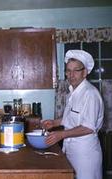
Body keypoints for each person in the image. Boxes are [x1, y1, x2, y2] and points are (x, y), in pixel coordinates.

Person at [42, 49, 104, 179]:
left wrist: (61, 134)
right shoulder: (73, 92)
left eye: (76, 70)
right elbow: (70, 117)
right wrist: (54, 122)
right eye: (68, 70)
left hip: (85, 155)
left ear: (85, 72)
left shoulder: (90, 94)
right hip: (71, 150)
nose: (71, 74)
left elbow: (88, 127)